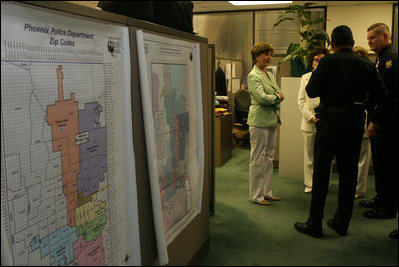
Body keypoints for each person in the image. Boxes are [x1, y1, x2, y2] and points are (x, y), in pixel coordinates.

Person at [294, 25, 386, 238]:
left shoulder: (326, 62)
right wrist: (362, 103)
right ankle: (341, 223)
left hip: (329, 123)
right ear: (353, 44)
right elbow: (381, 95)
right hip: (355, 123)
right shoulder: (366, 64)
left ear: (332, 45)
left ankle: (314, 223)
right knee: (348, 173)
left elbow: (312, 90)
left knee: (321, 173)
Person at [361, 23, 398, 239]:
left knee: (388, 166)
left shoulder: (391, 59)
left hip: (388, 123)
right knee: (381, 164)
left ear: (385, 36)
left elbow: (388, 96)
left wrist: (374, 121)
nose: (369, 42)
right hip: (383, 121)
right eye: (368, 39)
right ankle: (381, 198)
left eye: (373, 38)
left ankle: (387, 207)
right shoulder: (381, 58)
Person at [247, 42, 284, 205]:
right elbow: (262, 98)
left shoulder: (268, 74)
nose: (269, 57)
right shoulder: (253, 75)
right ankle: (255, 195)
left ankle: (266, 192)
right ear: (256, 56)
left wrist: (275, 96)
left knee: (269, 158)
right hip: (259, 121)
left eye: (270, 54)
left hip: (270, 119)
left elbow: (272, 94)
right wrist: (277, 97)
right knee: (257, 158)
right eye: (265, 54)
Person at [298, 47, 330, 193]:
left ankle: (324, 182)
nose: (319, 62)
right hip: (309, 121)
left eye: (322, 60)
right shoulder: (305, 78)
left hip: (326, 121)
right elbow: (301, 102)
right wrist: (311, 117)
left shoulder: (331, 76)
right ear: (312, 62)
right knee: (309, 155)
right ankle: (310, 183)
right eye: (316, 59)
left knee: (325, 155)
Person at [352, 46, 373, 199]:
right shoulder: (349, 74)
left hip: (366, 119)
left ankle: (359, 188)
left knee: (363, 157)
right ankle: (351, 186)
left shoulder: (371, 73)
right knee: (352, 157)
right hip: (350, 121)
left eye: (361, 56)